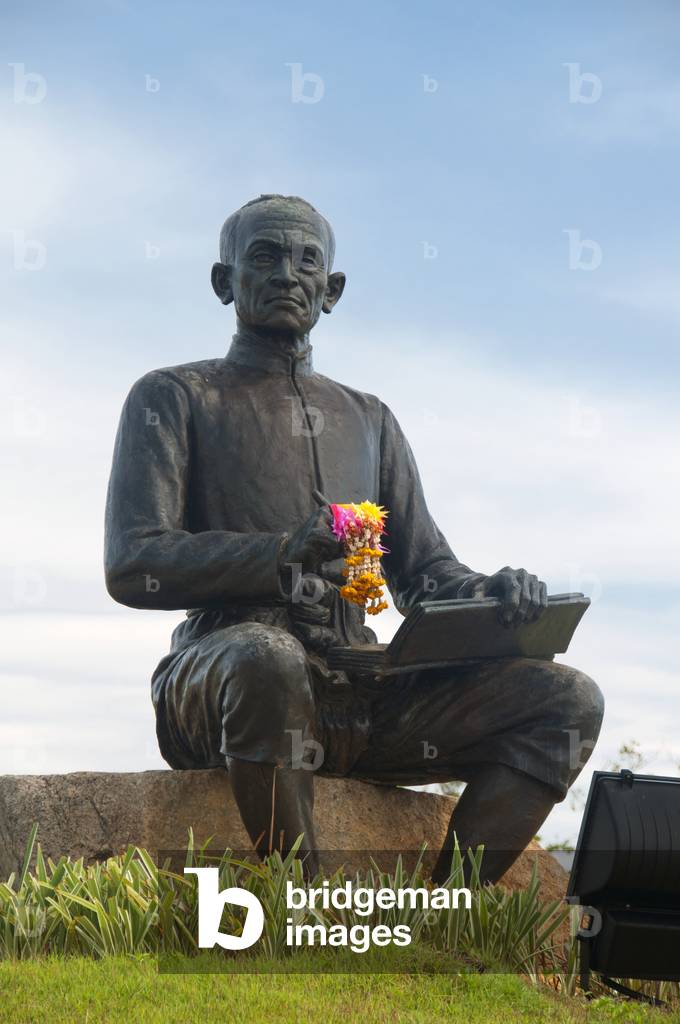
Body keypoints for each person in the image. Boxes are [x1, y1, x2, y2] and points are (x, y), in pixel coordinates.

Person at [105, 194, 604, 883]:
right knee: (267, 657)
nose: (288, 273)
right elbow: (135, 562)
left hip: (358, 691)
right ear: (225, 282)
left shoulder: (370, 419)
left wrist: (491, 593)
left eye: (307, 260)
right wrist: (281, 555)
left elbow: (424, 572)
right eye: (265, 257)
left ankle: (442, 913)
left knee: (567, 699)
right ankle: (303, 903)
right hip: (226, 682)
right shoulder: (174, 396)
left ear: (331, 291)